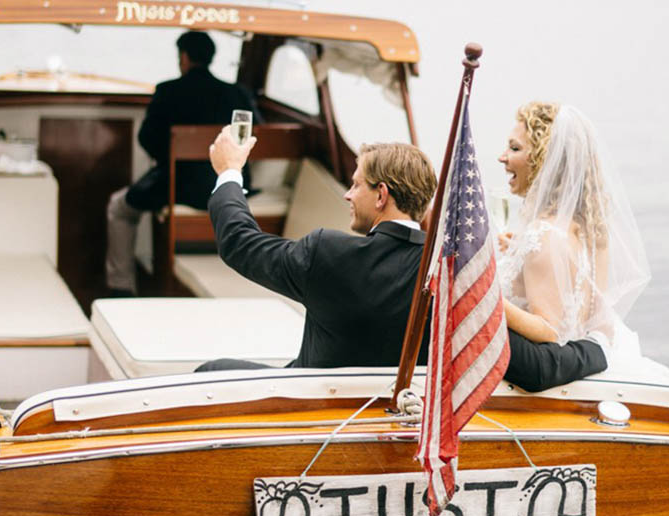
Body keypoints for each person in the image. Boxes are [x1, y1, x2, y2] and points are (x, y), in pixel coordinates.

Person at [196, 129, 608, 392]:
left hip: (310, 412)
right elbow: (538, 369)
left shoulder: (327, 253)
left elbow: (240, 245)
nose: (346, 194)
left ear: (381, 195)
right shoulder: (452, 280)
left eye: (355, 184)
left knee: (211, 371)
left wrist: (230, 172)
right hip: (400, 424)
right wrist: (598, 348)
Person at [498, 101, 658, 374]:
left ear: (543, 160)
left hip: (543, 377)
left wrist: (486, 299)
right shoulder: (588, 228)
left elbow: (548, 328)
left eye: (515, 148)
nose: (502, 157)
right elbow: (583, 303)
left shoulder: (544, 235)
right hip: (584, 363)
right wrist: (520, 253)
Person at [105, 29, 257, 294]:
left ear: (184, 57)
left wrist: (167, 158)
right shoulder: (237, 94)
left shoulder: (168, 91)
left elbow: (147, 138)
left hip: (180, 187)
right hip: (231, 186)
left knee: (119, 207)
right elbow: (257, 137)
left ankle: (121, 286)